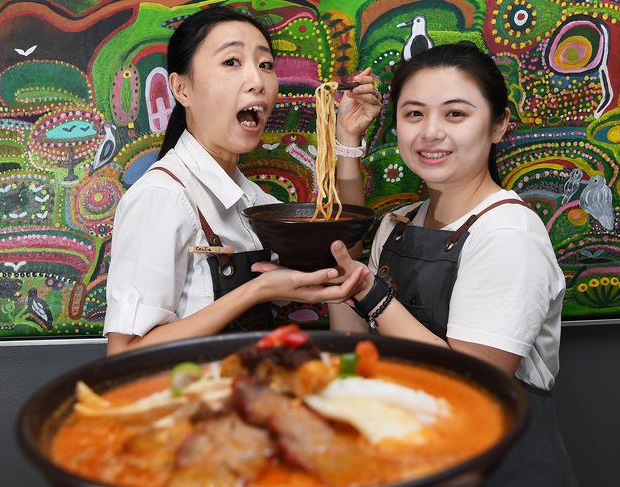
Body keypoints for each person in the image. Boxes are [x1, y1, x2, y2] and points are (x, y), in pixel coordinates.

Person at [272, 42, 576, 486]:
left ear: (498, 125)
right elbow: (353, 343)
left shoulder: (509, 233)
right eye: (414, 114)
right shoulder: (399, 223)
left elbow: (477, 386)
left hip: (498, 467)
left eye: (455, 114)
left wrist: (368, 293)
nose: (430, 132)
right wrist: (348, 141)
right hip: (412, 458)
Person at [104, 6, 381, 355]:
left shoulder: (253, 202)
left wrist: (348, 138)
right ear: (181, 88)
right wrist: (257, 290)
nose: (257, 80)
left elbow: (342, 251)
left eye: (265, 65)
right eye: (232, 62)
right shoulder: (164, 197)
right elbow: (125, 353)